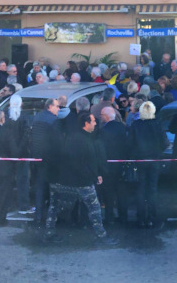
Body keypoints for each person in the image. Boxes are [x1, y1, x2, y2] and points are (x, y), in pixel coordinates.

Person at [43, 111, 117, 245]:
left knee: (54, 207)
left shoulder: (70, 137)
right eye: (93, 121)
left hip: (61, 179)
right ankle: (101, 236)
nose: (95, 123)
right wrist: (95, 176)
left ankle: (49, 233)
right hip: (82, 181)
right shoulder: (87, 141)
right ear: (86, 124)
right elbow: (91, 163)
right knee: (94, 208)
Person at [129, 101, 168, 228]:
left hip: (140, 160)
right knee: (152, 189)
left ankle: (140, 218)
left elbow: (130, 143)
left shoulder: (136, 125)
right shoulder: (157, 125)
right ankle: (152, 217)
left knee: (140, 189)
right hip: (154, 160)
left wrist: (135, 154)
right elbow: (165, 143)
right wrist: (157, 152)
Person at [98, 107, 130, 225]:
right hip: (121, 165)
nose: (100, 116)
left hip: (108, 166)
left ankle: (109, 217)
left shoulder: (103, 131)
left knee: (109, 192)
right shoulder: (123, 127)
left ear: (106, 116)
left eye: (101, 114)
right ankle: (123, 216)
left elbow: (101, 149)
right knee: (122, 192)